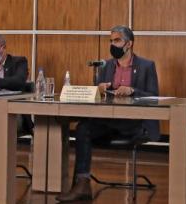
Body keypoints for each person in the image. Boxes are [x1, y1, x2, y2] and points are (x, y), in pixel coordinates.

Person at [57, 25, 159, 202]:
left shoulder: (146, 66)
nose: (113, 44)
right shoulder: (106, 65)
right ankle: (82, 183)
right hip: (108, 121)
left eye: (117, 40)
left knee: (88, 127)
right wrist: (99, 88)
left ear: (129, 44)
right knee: (83, 128)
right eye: (111, 41)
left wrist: (133, 90)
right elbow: (96, 97)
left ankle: (81, 183)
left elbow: (154, 96)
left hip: (133, 123)